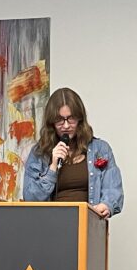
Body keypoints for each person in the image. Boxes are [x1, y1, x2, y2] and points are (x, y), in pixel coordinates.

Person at [23, 88, 123, 218]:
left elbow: (114, 189)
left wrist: (106, 205)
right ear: (51, 123)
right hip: (50, 225)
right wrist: (52, 167)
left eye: (70, 119)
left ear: (80, 119)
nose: (65, 126)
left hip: (87, 224)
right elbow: (30, 199)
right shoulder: (39, 153)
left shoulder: (101, 149)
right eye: (59, 120)